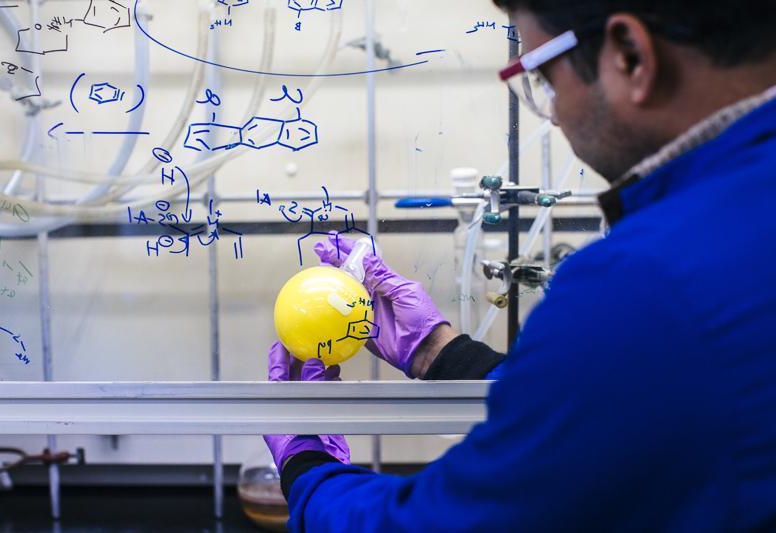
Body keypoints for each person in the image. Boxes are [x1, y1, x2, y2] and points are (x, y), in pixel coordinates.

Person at [264, 0, 776, 530]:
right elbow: (612, 413)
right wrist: (443, 354)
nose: (552, 113)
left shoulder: (647, 283)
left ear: (629, 56)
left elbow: (452, 522)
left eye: (544, 79)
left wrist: (307, 468)